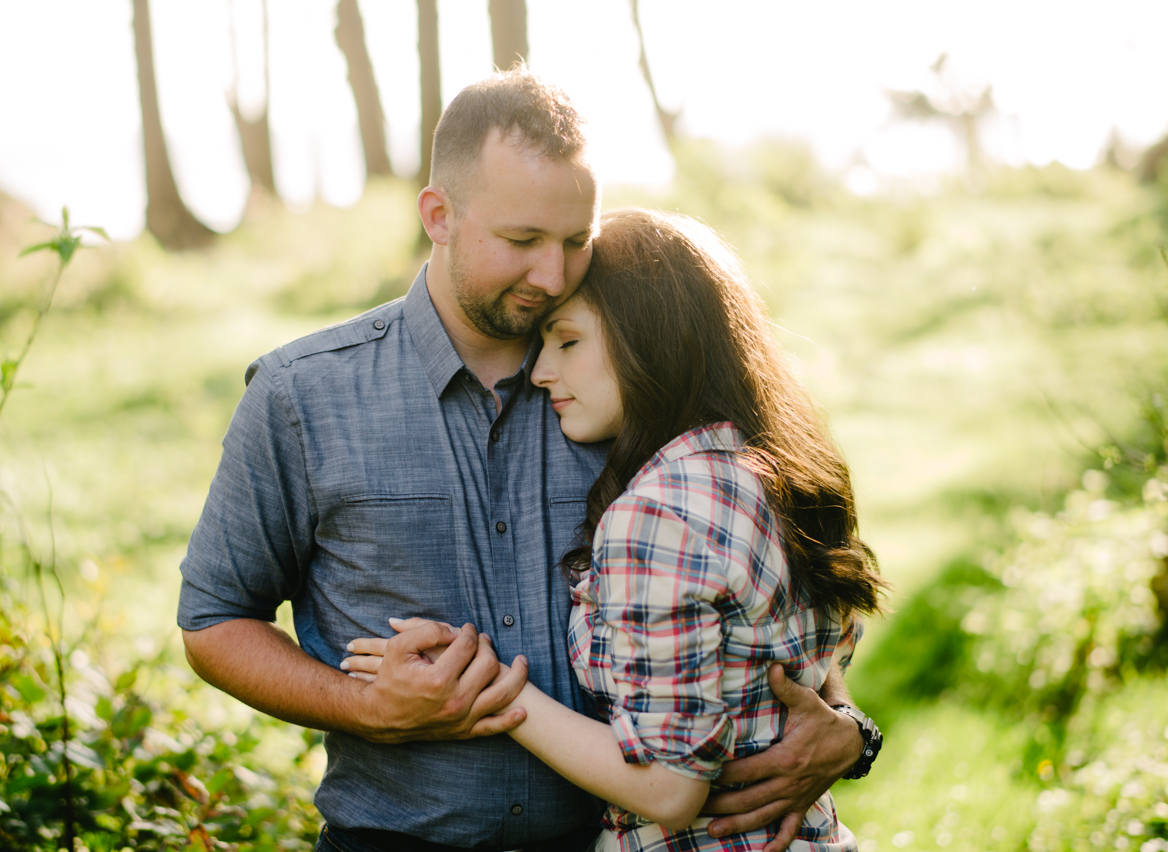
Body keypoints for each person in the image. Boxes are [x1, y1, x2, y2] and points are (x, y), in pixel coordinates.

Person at [177, 70, 869, 852]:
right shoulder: (302, 397)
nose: (552, 274)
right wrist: (363, 706)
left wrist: (844, 727)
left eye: (576, 240)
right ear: (439, 216)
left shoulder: (622, 384)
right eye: (521, 241)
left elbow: (758, 592)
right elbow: (213, 620)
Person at [344, 208, 889, 851]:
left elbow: (668, 790)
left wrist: (487, 686)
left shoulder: (657, 513)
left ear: (649, 339)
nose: (541, 371)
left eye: (567, 341)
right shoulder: (780, 473)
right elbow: (801, 672)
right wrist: (853, 730)